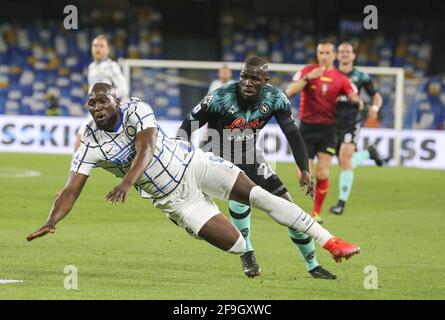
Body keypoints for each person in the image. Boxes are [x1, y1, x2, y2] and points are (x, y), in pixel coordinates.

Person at [26, 83, 360, 276]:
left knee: (260, 196)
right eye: (91, 102)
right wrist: (51, 219)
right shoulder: (90, 143)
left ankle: (331, 242)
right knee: (236, 245)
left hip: (193, 163)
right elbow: (70, 190)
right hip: (176, 200)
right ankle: (235, 243)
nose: (97, 106)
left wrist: (127, 182)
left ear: (115, 101)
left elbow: (146, 146)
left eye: (103, 100)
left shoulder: (136, 107)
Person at [178, 56, 337, 280]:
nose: (248, 83)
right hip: (218, 156)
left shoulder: (276, 98)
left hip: (252, 156)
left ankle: (313, 265)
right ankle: (247, 253)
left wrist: (304, 169)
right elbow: (187, 125)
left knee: (288, 206)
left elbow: (292, 134)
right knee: (240, 199)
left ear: (265, 80)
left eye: (254, 78)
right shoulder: (220, 97)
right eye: (244, 76)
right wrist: (181, 157)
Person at [285, 39, 362, 224]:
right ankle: (305, 201)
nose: (325, 56)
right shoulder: (306, 71)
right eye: (321, 53)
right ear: (317, 55)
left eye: (328, 53)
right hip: (306, 128)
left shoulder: (341, 78)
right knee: (303, 173)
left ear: (334, 55)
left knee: (323, 174)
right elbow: (289, 91)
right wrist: (308, 78)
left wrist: (356, 100)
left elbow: (355, 96)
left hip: (328, 129)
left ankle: (316, 213)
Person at [329, 42, 385, 215]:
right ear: (337, 55)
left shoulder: (361, 76)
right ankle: (369, 153)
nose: (345, 54)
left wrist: (374, 109)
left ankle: (341, 204)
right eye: (342, 51)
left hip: (352, 121)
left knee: (344, 160)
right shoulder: (330, 75)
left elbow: (376, 96)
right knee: (343, 161)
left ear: (353, 56)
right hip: (332, 122)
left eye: (348, 51)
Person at [74, 34, 129, 150]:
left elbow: (124, 89)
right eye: (95, 45)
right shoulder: (91, 67)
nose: (97, 48)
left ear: (107, 50)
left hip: (108, 112)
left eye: (101, 46)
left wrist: (105, 100)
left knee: (80, 140)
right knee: (83, 144)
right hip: (96, 111)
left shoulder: (111, 66)